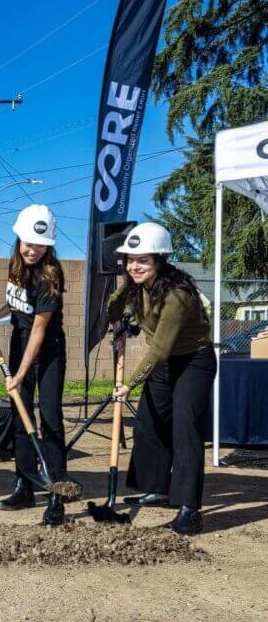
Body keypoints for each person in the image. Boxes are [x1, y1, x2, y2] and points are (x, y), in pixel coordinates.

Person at [108, 222, 215, 535]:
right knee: (149, 421)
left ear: (160, 259)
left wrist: (129, 384)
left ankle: (188, 510)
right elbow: (115, 311)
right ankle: (157, 487)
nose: (134, 265)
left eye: (143, 260)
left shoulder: (178, 295)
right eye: (130, 259)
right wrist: (120, 296)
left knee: (185, 429)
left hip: (192, 361)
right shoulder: (137, 285)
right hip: (165, 363)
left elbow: (160, 348)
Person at [0, 204, 69, 526]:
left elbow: (39, 329)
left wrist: (21, 373)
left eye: (39, 244)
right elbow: (15, 306)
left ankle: (57, 494)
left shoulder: (51, 276)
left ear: (49, 245)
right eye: (27, 242)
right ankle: (23, 483)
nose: (32, 249)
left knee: (49, 417)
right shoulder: (16, 264)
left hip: (48, 350)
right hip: (19, 343)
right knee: (19, 417)